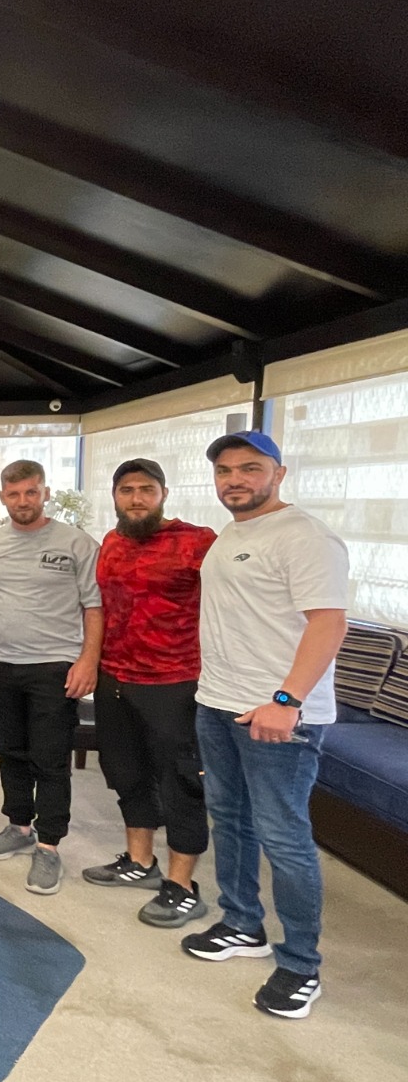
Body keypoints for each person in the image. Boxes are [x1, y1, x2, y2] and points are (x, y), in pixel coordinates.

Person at [182, 431, 348, 1020]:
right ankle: (242, 924)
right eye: (225, 470)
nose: (235, 480)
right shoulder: (232, 533)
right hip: (219, 702)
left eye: (250, 468)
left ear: (279, 473)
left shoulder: (304, 535)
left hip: (277, 714)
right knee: (229, 818)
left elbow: (328, 623)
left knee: (283, 837)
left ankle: (300, 964)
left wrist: (286, 699)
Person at [82, 459, 217, 929]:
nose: (136, 498)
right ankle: (141, 862)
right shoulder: (112, 543)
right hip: (116, 680)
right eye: (126, 490)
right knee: (126, 772)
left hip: (174, 683)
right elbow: (99, 607)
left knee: (181, 782)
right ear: (115, 496)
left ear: (163, 494)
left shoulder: (197, 542)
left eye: (146, 489)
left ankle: (182, 885)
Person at [0, 460, 102, 896]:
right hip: (2, 664)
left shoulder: (77, 543)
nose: (22, 501)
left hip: (54, 666)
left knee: (50, 757)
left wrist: (88, 661)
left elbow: (94, 607)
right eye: (14, 494)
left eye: (30, 492)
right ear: (2, 498)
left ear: (45, 493)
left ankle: (49, 845)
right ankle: (19, 826)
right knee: (9, 751)